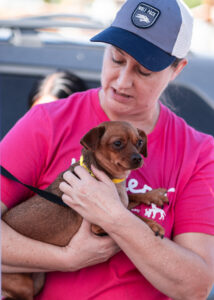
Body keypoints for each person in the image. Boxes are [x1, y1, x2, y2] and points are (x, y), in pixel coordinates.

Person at [1, 0, 214, 299]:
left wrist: (116, 218)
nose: (123, 81)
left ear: (177, 68)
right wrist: (68, 258)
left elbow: (196, 286)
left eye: (143, 71)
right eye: (116, 59)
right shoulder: (47, 122)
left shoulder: (198, 152)